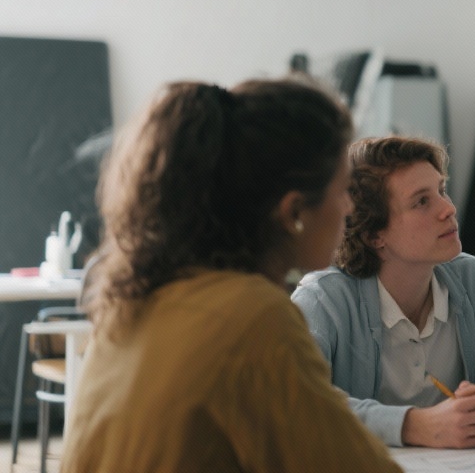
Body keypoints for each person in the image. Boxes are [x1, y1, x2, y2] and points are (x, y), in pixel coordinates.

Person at [64, 79, 401, 473]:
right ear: (294, 212)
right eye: (343, 189)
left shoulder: (140, 299)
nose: (348, 207)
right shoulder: (253, 316)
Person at [292, 136, 475, 449]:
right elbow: (293, 402)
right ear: (374, 234)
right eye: (421, 202)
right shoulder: (322, 300)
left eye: (441, 190)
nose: (449, 208)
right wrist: (414, 425)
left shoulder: (473, 280)